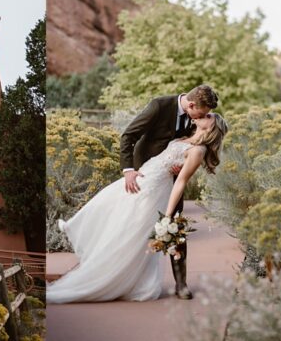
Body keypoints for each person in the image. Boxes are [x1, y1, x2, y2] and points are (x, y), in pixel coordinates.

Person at [46, 86, 226, 304]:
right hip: (146, 173)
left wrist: (181, 163)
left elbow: (193, 152)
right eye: (201, 113)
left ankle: (181, 283)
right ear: (191, 105)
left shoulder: (196, 124)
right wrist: (129, 170)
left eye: (205, 116)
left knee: (175, 227)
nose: (200, 117)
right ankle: (105, 268)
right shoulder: (159, 105)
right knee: (123, 221)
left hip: (166, 181)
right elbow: (129, 135)